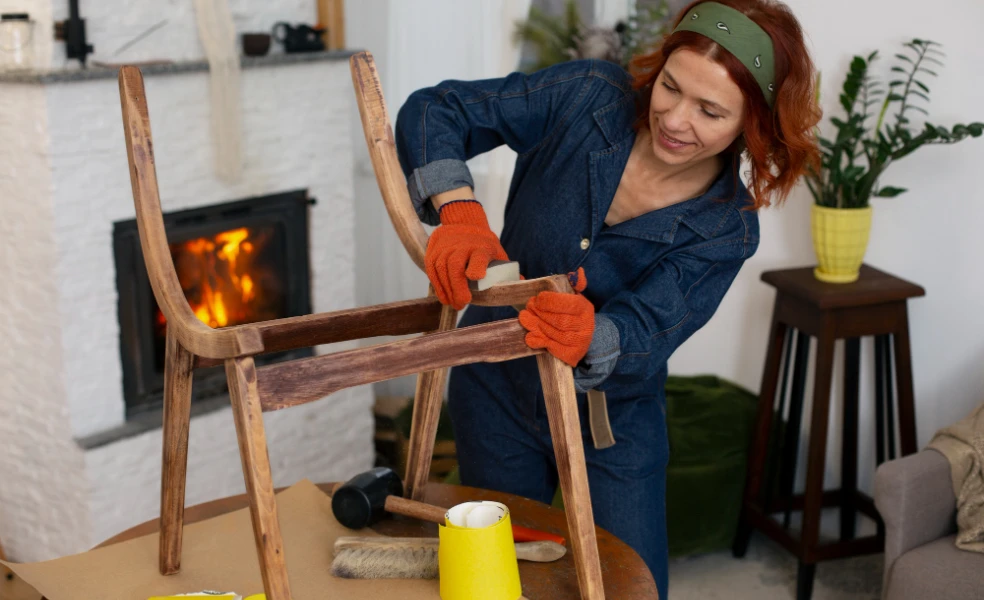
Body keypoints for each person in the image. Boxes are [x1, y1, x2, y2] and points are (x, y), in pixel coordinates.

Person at [395, 0, 821, 596]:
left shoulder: (727, 228)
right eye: (670, 87)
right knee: (496, 575)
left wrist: (593, 335)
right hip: (494, 385)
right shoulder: (587, 95)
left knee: (632, 584)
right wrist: (459, 210)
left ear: (754, 125)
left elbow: (650, 328)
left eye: (710, 111)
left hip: (612, 422)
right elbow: (437, 109)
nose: (674, 119)